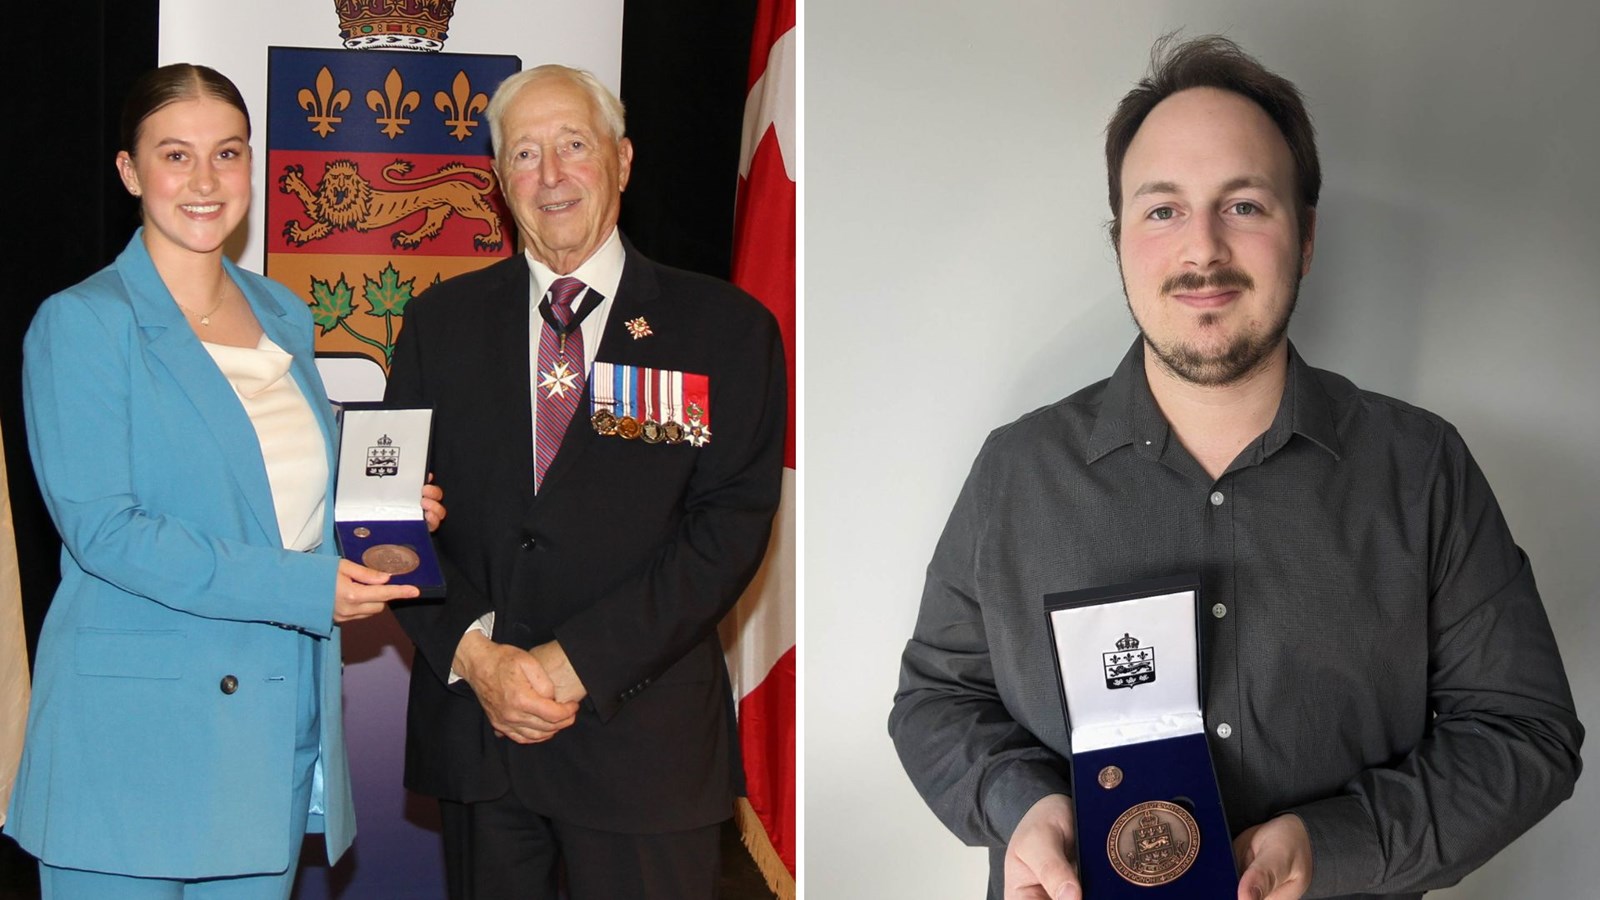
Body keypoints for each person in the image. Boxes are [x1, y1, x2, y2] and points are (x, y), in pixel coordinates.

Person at [888, 35, 1582, 900]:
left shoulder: (1422, 469)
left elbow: (1524, 734)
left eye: (1245, 205)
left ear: (1307, 236)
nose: (1204, 250)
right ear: (1120, 239)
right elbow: (936, 700)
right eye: (1163, 210)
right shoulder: (1016, 473)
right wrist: (1020, 805)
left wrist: (1333, 844)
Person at [4, 63, 442, 899]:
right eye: (176, 155)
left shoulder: (283, 313)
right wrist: (309, 587)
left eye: (228, 153)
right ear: (131, 172)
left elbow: (277, 499)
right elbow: (107, 533)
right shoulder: (83, 323)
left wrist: (377, 515)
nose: (205, 181)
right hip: (132, 742)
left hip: (268, 729)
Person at [383, 64, 786, 900]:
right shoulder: (437, 325)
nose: (551, 175)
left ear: (622, 160)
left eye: (573, 145)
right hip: (484, 739)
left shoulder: (724, 330)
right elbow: (388, 517)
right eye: (525, 154)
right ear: (499, 181)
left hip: (644, 747)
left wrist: (577, 664)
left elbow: (727, 530)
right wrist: (479, 660)